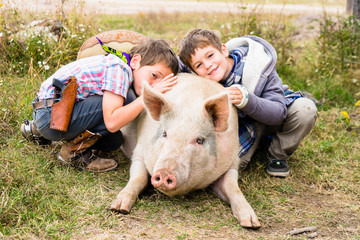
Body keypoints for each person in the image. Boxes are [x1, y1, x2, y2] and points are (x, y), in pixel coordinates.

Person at [21, 38, 179, 172]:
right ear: (136, 61)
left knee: (114, 141)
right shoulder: (120, 69)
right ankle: (72, 154)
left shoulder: (115, 64)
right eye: (154, 76)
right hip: (51, 117)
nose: (156, 85)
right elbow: (111, 122)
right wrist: (145, 97)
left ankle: (36, 130)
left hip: (46, 111)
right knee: (128, 102)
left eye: (162, 82)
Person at [178, 28, 317, 177]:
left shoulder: (258, 65)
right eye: (199, 65)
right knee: (226, 168)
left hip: (269, 113)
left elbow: (278, 114)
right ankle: (258, 144)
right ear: (193, 71)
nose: (207, 65)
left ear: (224, 50)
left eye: (210, 55)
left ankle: (278, 154)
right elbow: (174, 63)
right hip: (245, 125)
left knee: (305, 110)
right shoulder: (203, 78)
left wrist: (247, 101)